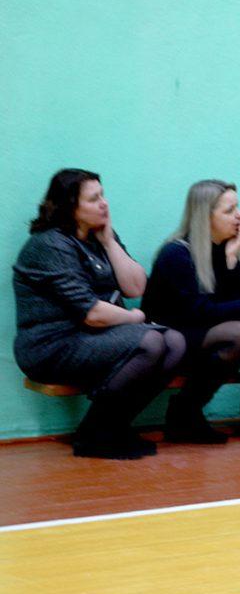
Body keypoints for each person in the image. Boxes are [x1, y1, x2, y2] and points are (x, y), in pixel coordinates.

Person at [13, 169, 185, 459]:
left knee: (176, 342)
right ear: (70, 207)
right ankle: (92, 434)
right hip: (51, 345)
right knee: (151, 342)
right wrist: (134, 318)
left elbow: (136, 286)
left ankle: (114, 426)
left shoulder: (102, 237)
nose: (104, 203)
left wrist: (109, 243)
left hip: (95, 337)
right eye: (94, 199)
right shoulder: (50, 244)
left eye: (102, 195)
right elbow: (91, 313)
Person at [143, 180, 240, 443]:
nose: (239, 215)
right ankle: (185, 412)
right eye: (229, 210)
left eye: (237, 207)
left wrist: (232, 263)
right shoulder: (176, 253)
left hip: (212, 328)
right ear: (205, 216)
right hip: (174, 336)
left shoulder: (237, 245)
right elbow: (198, 312)